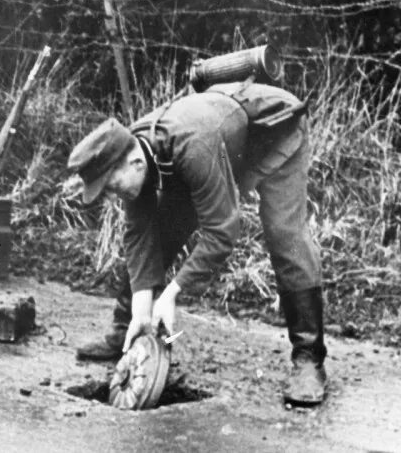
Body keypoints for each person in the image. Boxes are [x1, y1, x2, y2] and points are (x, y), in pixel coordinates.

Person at [66, 81, 327, 406]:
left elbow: (221, 232)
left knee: (284, 234)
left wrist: (172, 294)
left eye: (110, 186)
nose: (110, 195)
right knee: (162, 229)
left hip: (274, 134)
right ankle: (127, 331)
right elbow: (139, 235)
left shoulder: (191, 148)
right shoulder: (134, 149)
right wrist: (141, 310)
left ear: (134, 165)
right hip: (221, 142)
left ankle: (308, 358)